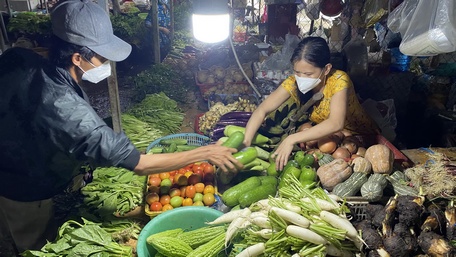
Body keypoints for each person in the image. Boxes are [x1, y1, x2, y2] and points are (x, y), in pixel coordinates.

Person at [0, 0, 241, 253]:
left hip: (11, 158)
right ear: (77, 57)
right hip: (23, 187)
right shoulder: (69, 111)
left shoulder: (19, 57)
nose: (106, 64)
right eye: (102, 57)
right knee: (34, 246)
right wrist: (206, 152)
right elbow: (139, 164)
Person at [243, 37, 378, 171]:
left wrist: (291, 139)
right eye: (297, 72)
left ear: (326, 69)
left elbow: (336, 123)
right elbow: (262, 110)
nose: (301, 78)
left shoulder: (339, 80)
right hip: (326, 137)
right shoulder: (293, 82)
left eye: (308, 74)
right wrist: (246, 143)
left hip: (359, 139)